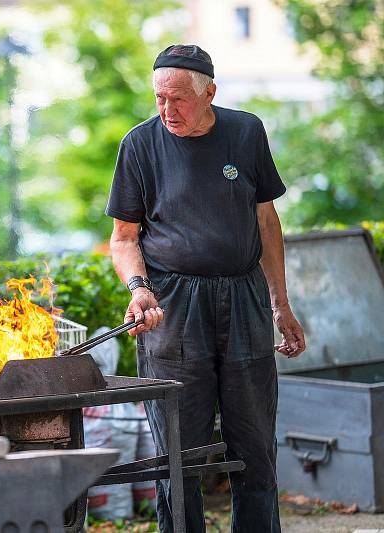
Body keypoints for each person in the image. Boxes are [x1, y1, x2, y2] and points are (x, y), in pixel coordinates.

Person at [106, 45, 306, 532]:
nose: (166, 110)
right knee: (179, 453)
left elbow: (266, 221)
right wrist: (139, 288)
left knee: (254, 446)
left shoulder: (246, 132)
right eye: (159, 98)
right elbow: (123, 238)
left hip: (244, 301)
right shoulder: (140, 145)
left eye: (178, 99)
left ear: (209, 93)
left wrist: (281, 304)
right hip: (173, 309)